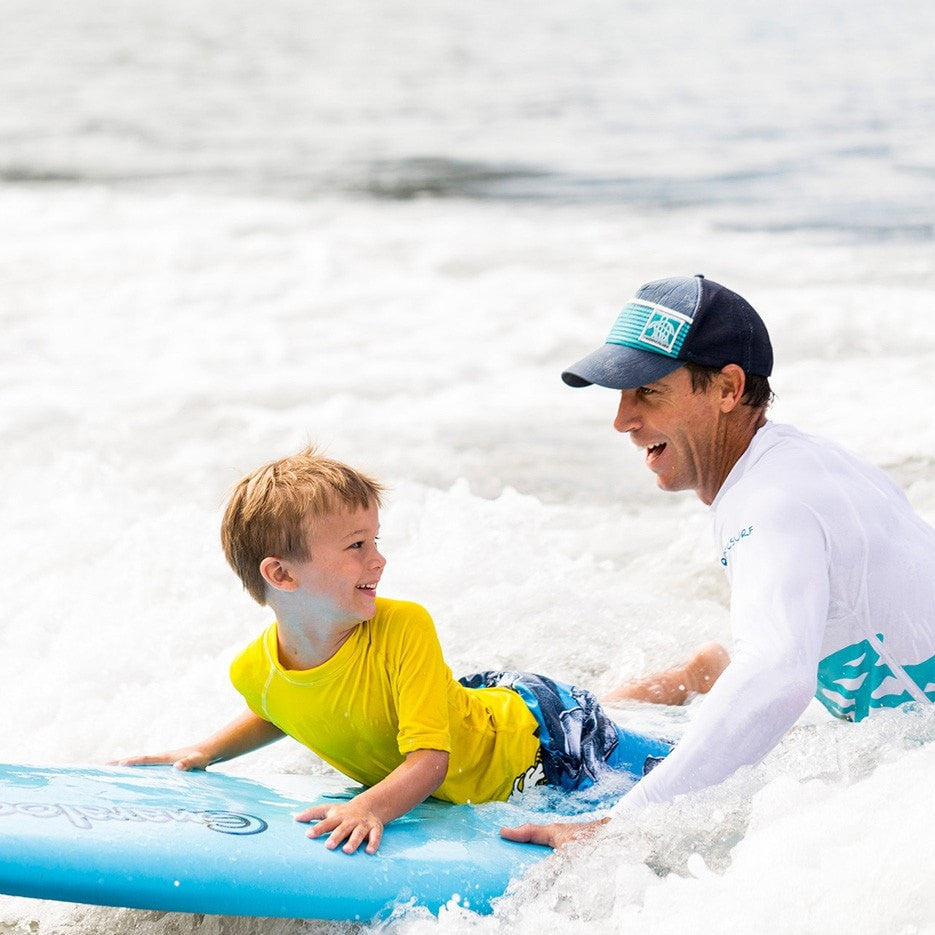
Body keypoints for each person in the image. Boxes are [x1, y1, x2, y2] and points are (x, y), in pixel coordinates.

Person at [116, 447, 727, 856]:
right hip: (467, 705)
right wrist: (204, 751)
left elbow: (429, 762)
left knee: (690, 771)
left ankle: (696, 677)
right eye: (356, 545)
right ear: (281, 574)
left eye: (375, 540)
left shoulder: (403, 626)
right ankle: (687, 674)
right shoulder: (254, 668)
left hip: (542, 735)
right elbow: (277, 705)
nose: (378, 559)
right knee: (616, 712)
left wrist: (370, 807)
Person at [501, 273, 935, 849]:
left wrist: (621, 829)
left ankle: (708, 671)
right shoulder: (792, 466)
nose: (622, 419)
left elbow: (778, 676)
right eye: (621, 394)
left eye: (648, 392)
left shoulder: (770, 499)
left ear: (728, 389)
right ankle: (704, 671)